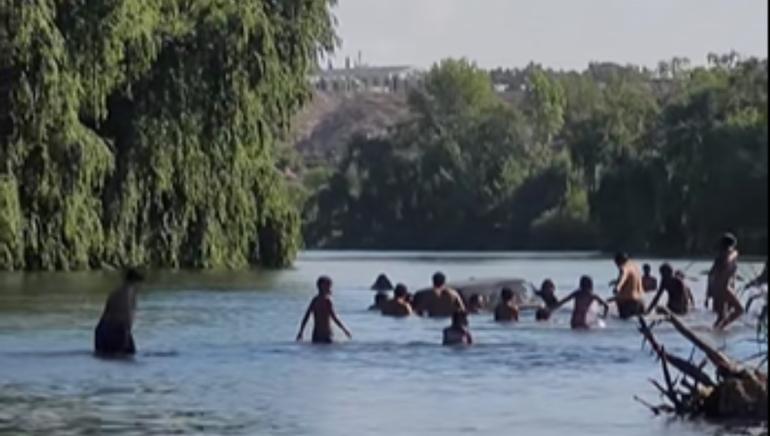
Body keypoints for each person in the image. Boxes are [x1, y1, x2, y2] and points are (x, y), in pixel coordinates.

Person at [94, 268, 144, 357]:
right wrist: (126, 337)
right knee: (126, 356)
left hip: (102, 330)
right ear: (136, 282)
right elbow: (127, 318)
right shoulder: (129, 294)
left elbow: (106, 313)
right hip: (117, 330)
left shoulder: (115, 292)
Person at [296, 276, 352, 344]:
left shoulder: (314, 300)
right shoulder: (327, 301)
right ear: (322, 287)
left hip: (316, 334)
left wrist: (301, 331)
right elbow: (334, 318)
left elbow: (306, 316)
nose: (330, 288)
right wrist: (345, 330)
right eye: (329, 286)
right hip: (326, 334)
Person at [707, 233, 745, 331]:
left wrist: (709, 291)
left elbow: (711, 274)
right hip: (724, 288)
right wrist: (734, 254)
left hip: (717, 288)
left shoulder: (718, 257)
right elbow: (728, 261)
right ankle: (721, 328)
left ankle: (716, 331)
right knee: (739, 310)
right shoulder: (729, 254)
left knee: (721, 316)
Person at [610, 252, 646, 319]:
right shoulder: (634, 267)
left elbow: (623, 276)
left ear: (618, 262)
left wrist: (617, 287)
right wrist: (616, 281)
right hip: (640, 301)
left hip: (628, 303)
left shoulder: (623, 268)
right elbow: (630, 279)